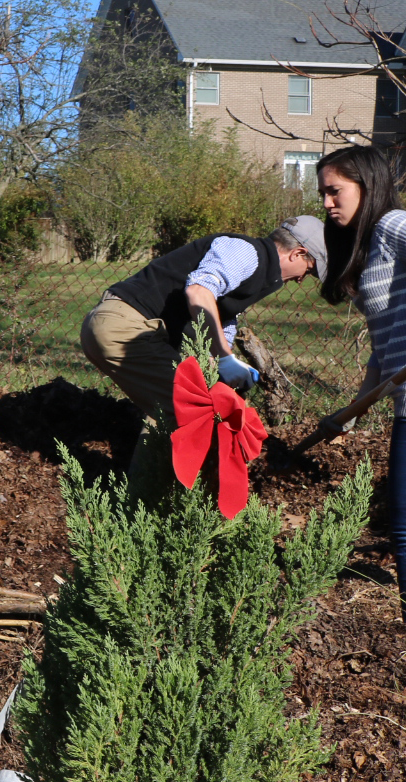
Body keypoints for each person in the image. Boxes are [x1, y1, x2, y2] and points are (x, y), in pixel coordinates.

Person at [79, 215, 328, 417]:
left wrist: (219, 372)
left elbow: (221, 321)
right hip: (126, 328)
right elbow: (199, 292)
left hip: (128, 328)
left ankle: (150, 477)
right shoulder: (246, 252)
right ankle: (172, 478)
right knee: (201, 412)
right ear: (297, 253)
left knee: (172, 413)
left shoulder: (258, 274)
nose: (301, 279)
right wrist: (225, 358)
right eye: (309, 270)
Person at [314, 143, 406, 624]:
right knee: (402, 521)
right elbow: (383, 343)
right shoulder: (372, 244)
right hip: (402, 400)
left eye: (335, 191)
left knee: (404, 522)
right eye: (323, 193)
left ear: (366, 188)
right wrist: (355, 408)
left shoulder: (392, 226)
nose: (327, 203)